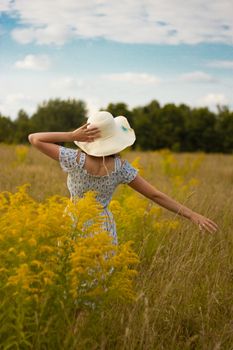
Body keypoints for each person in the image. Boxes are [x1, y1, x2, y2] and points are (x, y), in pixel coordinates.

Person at [28, 111, 218, 245]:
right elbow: (155, 196)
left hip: (73, 223)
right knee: (99, 283)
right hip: (103, 229)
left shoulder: (73, 159)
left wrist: (71, 135)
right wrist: (192, 215)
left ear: (87, 137)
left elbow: (34, 138)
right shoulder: (122, 169)